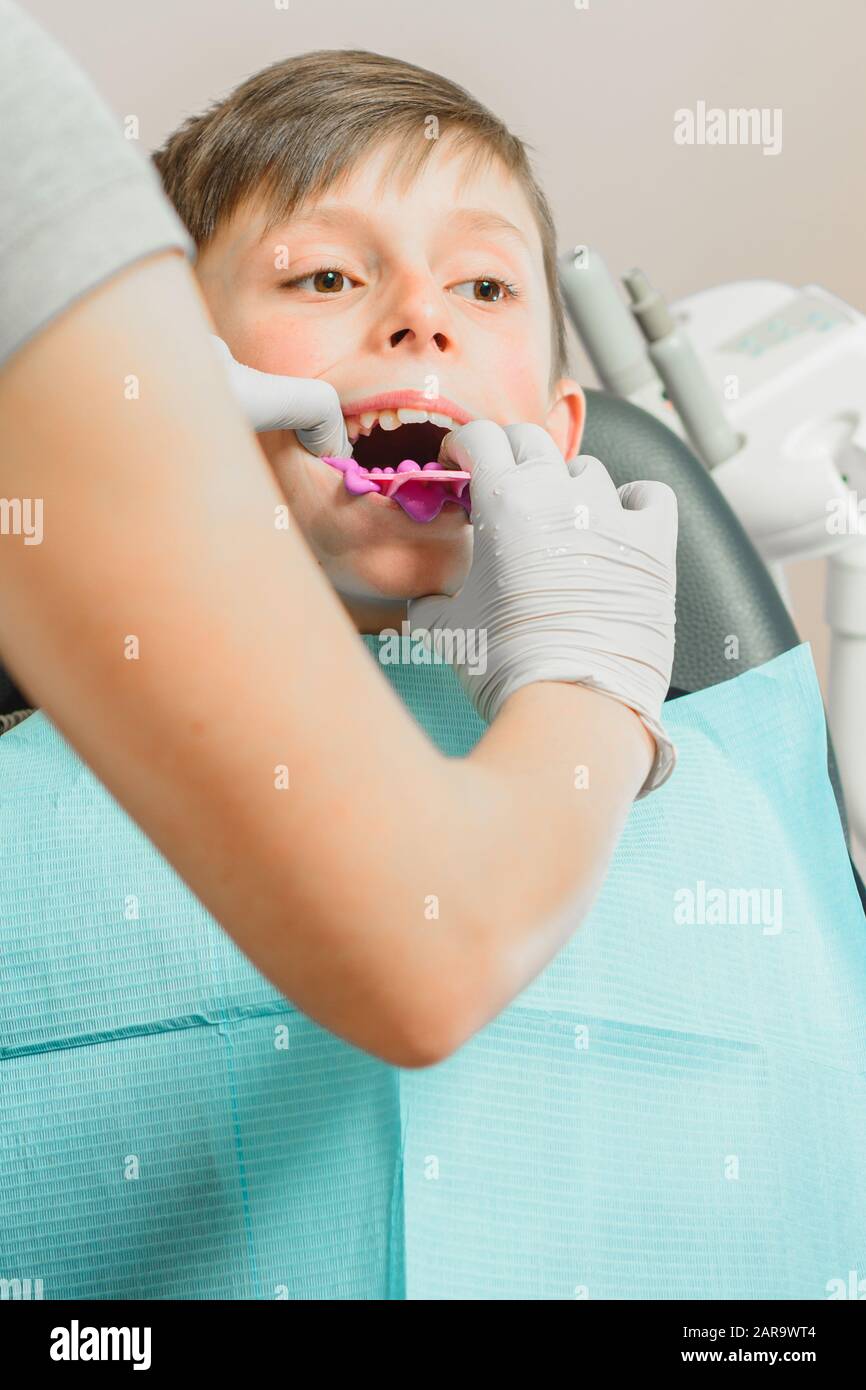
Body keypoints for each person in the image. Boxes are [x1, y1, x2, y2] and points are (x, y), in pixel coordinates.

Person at [0, 1, 678, 1067]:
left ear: (558, 429)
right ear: (175, 371)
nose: (421, 314)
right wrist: (590, 685)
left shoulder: (732, 793)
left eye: (485, 285)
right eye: (323, 275)